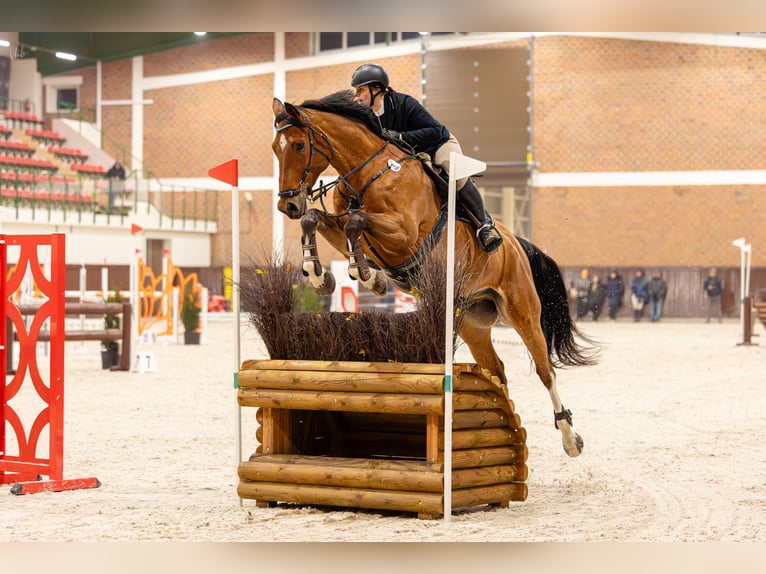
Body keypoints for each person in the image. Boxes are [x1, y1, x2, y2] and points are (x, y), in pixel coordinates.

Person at [350, 63, 502, 253]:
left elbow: (436, 130)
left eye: (360, 90)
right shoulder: (366, 116)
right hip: (407, 157)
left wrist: (401, 137)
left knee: (453, 169)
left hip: (437, 145)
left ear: (377, 89)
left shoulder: (404, 103)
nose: (357, 96)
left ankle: (484, 225)